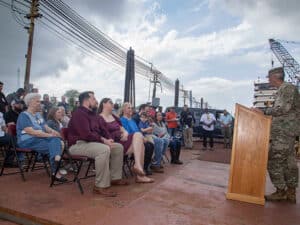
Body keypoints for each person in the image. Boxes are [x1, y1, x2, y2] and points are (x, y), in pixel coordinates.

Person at [67, 91, 126, 197]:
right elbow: (86, 135)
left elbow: (102, 129)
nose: (96, 101)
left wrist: (108, 139)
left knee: (118, 147)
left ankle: (115, 178)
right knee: (103, 149)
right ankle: (100, 186)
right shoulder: (79, 114)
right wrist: (103, 140)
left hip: (91, 143)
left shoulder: (93, 115)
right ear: (87, 100)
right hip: (77, 145)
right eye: (93, 99)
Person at [257, 67, 299, 203]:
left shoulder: (287, 88)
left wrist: (264, 111)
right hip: (287, 133)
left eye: (269, 77)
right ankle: (290, 193)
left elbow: (283, 109)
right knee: (289, 163)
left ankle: (281, 191)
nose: (268, 80)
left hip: (284, 134)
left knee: (273, 161)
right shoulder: (284, 90)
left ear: (276, 76)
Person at [98, 98, 154, 183]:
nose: (113, 104)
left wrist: (125, 133)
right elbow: (100, 133)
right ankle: (139, 173)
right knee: (140, 139)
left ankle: (138, 169)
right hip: (113, 143)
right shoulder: (99, 118)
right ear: (104, 104)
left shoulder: (114, 117)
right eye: (110, 102)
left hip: (123, 140)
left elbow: (122, 128)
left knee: (139, 138)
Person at [16, 93, 66, 182]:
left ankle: (56, 160)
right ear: (30, 102)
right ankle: (56, 167)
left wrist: (54, 132)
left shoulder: (38, 115)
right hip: (27, 140)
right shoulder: (24, 115)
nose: (40, 103)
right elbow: (32, 132)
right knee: (56, 144)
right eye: (37, 101)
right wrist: (50, 135)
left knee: (56, 140)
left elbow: (46, 127)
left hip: (39, 139)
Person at [119, 102, 156, 175]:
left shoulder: (132, 120)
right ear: (123, 109)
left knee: (150, 145)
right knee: (148, 146)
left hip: (138, 138)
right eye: (129, 108)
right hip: (130, 141)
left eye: (131, 108)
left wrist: (142, 137)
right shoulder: (122, 120)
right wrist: (141, 137)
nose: (131, 109)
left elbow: (138, 130)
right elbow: (127, 132)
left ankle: (144, 167)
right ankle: (141, 168)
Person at [128, 103, 165, 173]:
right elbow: (137, 130)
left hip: (147, 134)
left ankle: (155, 163)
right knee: (153, 143)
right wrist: (147, 130)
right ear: (142, 110)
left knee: (160, 141)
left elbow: (149, 128)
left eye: (148, 111)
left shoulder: (147, 117)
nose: (148, 112)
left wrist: (150, 128)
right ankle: (149, 165)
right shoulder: (136, 118)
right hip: (140, 136)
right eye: (147, 111)